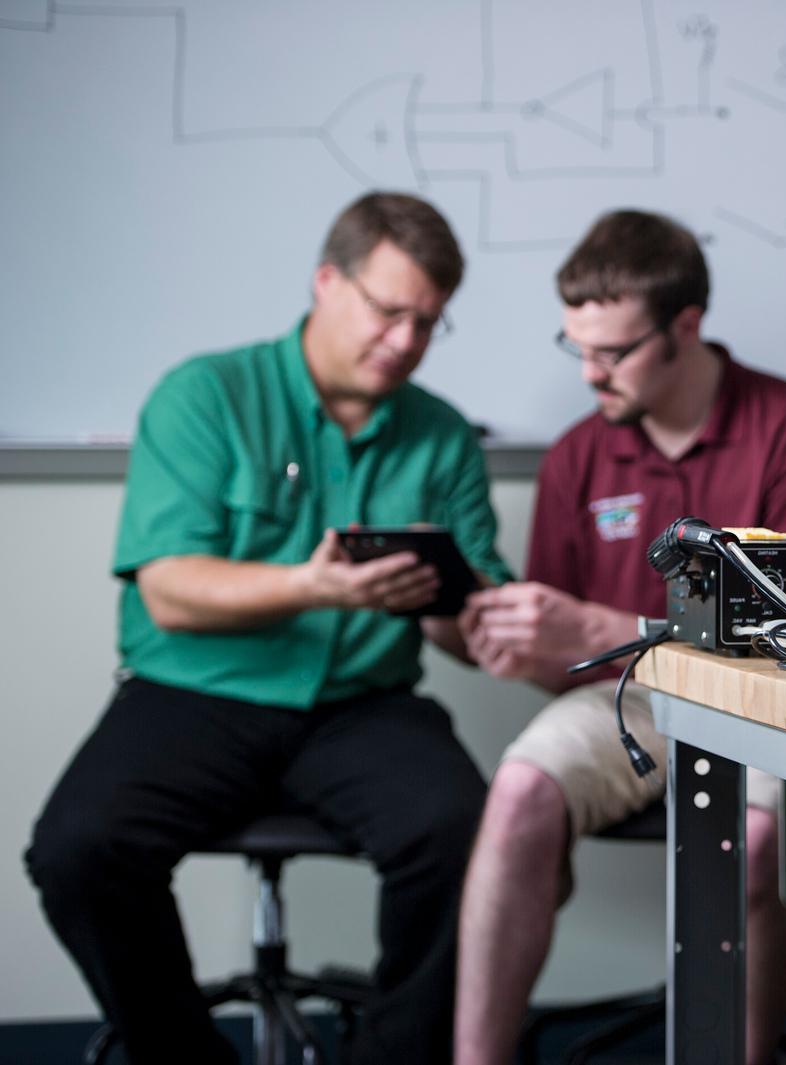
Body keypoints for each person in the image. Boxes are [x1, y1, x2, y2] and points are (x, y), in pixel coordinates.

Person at [25, 192, 512, 1064]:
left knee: (465, 831)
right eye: (389, 311)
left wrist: (472, 608)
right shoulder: (205, 394)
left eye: (429, 323)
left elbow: (462, 622)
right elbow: (170, 589)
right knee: (77, 848)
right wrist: (312, 585)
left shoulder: (441, 434)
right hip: (194, 692)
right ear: (329, 282)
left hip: (362, 704)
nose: (405, 341)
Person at [453, 209, 786, 1065]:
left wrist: (611, 628)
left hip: (768, 702)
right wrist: (530, 648)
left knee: (758, 843)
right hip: (625, 700)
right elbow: (570, 665)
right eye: (578, 349)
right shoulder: (578, 454)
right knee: (517, 796)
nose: (591, 373)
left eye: (614, 352)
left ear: (686, 325)